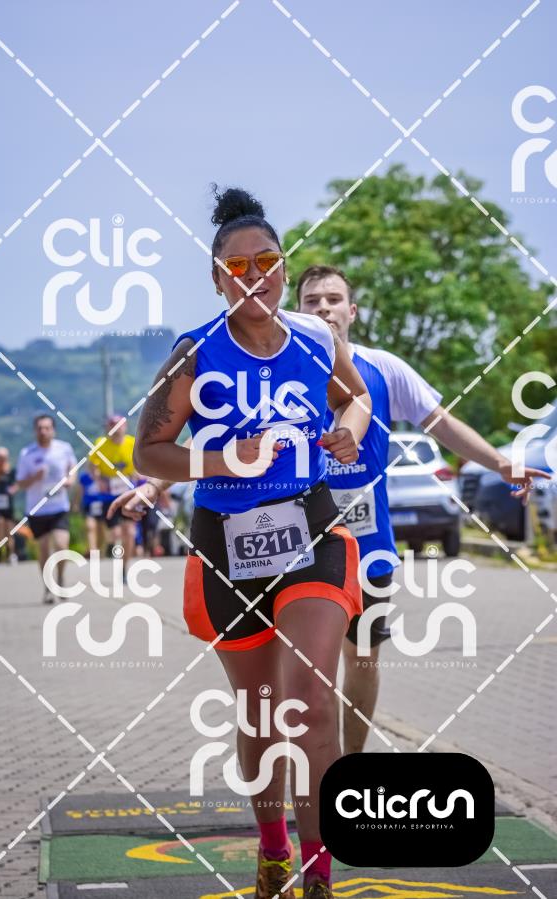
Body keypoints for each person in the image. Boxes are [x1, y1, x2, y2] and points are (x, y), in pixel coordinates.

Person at [109, 188, 371, 899]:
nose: (255, 274)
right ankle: (274, 850)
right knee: (261, 712)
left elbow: (354, 396)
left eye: (267, 261)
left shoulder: (315, 338)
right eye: (237, 265)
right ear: (217, 277)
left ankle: (319, 871)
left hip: (310, 528)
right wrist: (227, 459)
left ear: (283, 266)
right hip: (227, 544)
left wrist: (347, 428)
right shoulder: (195, 352)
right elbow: (149, 452)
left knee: (310, 702)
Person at [296, 264, 550, 755]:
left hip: (369, 547)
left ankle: (350, 765)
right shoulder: (284, 367)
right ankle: (315, 775)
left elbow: (440, 423)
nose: (323, 308)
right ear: (298, 310)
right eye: (312, 300)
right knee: (312, 666)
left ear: (352, 311)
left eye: (333, 299)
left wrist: (501, 463)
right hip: (304, 544)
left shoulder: (383, 369)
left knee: (363, 659)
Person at [15, 415, 76, 603]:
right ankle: (48, 587)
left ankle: (60, 578)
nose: (43, 431)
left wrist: (70, 480)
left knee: (61, 545)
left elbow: (72, 467)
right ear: (35, 431)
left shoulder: (64, 448)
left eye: (47, 428)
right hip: (37, 509)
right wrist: (35, 477)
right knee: (43, 550)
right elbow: (20, 483)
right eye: (40, 428)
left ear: (53, 430)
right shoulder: (27, 453)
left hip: (59, 507)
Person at [88, 415, 137, 574]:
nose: (116, 428)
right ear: (107, 428)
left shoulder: (132, 443)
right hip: (108, 496)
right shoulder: (100, 444)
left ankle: (124, 568)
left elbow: (142, 463)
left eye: (119, 425)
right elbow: (91, 465)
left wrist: (139, 475)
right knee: (115, 533)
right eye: (112, 425)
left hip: (128, 493)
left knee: (130, 533)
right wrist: (98, 479)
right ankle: (115, 557)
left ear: (125, 427)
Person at [77, 465, 108, 556]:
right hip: (89, 505)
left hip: (102, 504)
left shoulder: (104, 476)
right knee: (90, 526)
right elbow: (80, 491)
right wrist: (77, 503)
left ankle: (100, 549)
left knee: (101, 528)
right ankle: (93, 551)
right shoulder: (84, 477)